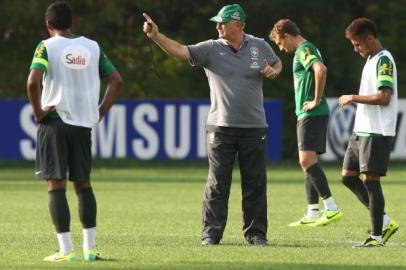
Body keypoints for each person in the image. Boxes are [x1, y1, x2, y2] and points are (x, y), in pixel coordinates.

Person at [143, 4, 282, 246]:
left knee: (255, 183)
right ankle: (211, 234)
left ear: (237, 25)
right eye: (217, 22)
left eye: (222, 22)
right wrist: (156, 36)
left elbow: (277, 62)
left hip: (254, 127)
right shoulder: (210, 48)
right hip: (220, 127)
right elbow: (180, 51)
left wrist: (274, 71)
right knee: (218, 183)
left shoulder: (260, 45)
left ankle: (256, 234)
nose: (217, 26)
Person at [26, 1, 123, 262]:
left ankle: (65, 250)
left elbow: (33, 81)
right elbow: (116, 81)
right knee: (83, 183)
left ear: (48, 25)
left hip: (55, 122)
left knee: (56, 184)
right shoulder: (92, 47)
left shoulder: (46, 46)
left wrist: (37, 112)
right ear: (72, 24)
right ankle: (89, 249)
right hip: (83, 125)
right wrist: (100, 111)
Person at [269, 19, 342, 227]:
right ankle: (312, 211)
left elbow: (321, 70)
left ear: (287, 36)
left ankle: (332, 207)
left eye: (280, 44)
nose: (282, 49)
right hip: (308, 114)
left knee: (305, 161)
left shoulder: (304, 49)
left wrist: (316, 100)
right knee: (308, 163)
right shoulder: (306, 48)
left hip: (313, 112)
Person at [339, 18, 398, 248]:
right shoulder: (371, 59)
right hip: (362, 129)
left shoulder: (384, 60)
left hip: (377, 130)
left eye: (357, 44)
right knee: (347, 177)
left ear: (370, 39)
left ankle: (376, 236)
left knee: (371, 181)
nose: (356, 49)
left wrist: (353, 97)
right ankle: (384, 221)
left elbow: (384, 98)